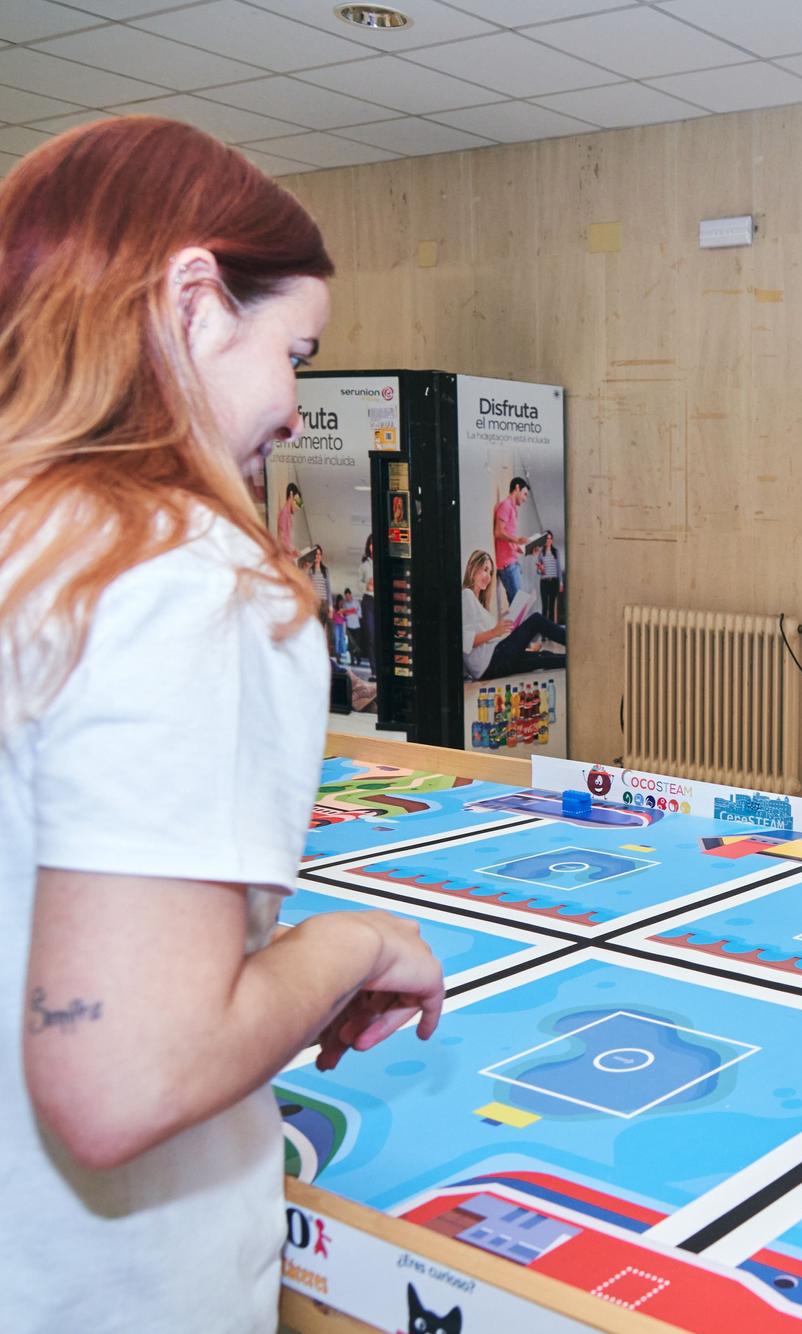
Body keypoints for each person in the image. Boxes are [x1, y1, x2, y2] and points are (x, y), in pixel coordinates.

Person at [0, 118, 445, 1332]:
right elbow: (124, 1079)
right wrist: (351, 948)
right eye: (295, 351)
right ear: (195, 301)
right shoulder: (176, 571)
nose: (296, 407)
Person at [462, 549, 565, 681]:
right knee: (536, 620)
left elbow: (488, 639)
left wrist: (501, 627)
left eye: (490, 572)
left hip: (492, 667)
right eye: (485, 569)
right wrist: (495, 631)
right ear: (472, 567)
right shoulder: (466, 595)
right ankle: (577, 645)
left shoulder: (478, 603)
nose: (488, 576)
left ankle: (577, 658)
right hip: (492, 661)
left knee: (543, 657)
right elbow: (466, 641)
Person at [493, 475, 532, 604]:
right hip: (507, 564)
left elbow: (512, 544)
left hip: (512, 563)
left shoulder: (513, 510)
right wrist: (517, 540)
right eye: (525, 494)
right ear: (517, 488)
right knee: (518, 606)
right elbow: (498, 532)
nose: (525, 499)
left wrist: (529, 549)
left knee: (517, 606)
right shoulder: (506, 505)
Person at [359, 532, 376, 668]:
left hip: (380, 602)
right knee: (371, 636)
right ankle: (374, 670)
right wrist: (367, 585)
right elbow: (358, 583)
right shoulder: (364, 565)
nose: (373, 546)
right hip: (368, 601)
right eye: (371, 544)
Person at [276, 479, 302, 556]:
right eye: (297, 503)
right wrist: (291, 551)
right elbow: (280, 540)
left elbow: (286, 541)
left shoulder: (288, 515)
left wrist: (293, 550)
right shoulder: (284, 513)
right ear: (291, 495)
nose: (297, 508)